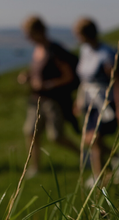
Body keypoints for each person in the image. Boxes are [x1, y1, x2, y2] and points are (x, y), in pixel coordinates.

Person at [17, 15, 80, 176]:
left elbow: (69, 76)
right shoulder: (38, 50)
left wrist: (48, 85)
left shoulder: (55, 51)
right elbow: (38, 72)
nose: (26, 37)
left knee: (56, 136)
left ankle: (84, 156)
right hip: (36, 99)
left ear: (38, 31)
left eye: (28, 33)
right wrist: (28, 76)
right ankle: (35, 167)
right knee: (30, 132)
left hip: (53, 99)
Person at [72, 18, 119, 182]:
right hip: (89, 100)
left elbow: (117, 81)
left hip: (104, 101)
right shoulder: (84, 50)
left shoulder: (106, 53)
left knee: (94, 139)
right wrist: (79, 101)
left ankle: (98, 176)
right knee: (88, 139)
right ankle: (118, 157)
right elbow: (84, 80)